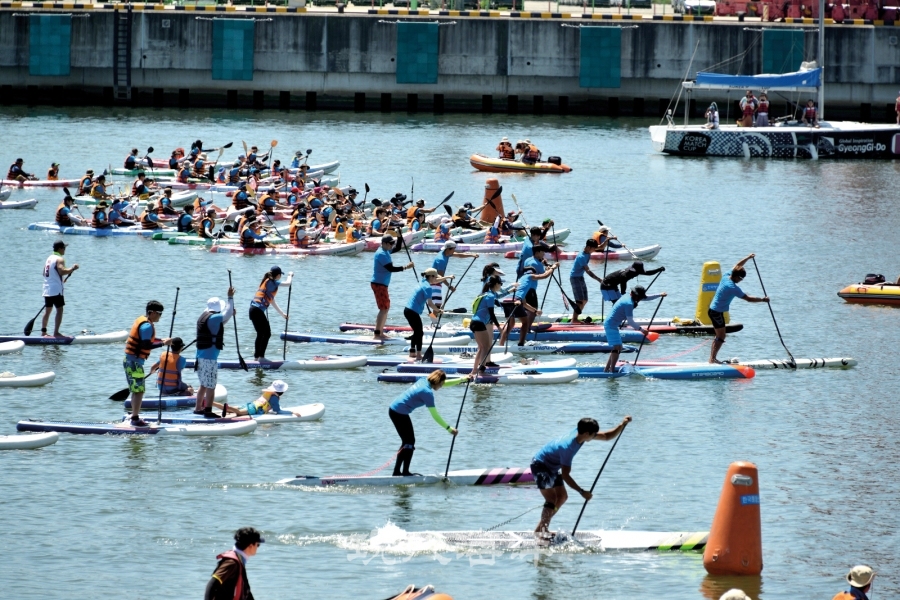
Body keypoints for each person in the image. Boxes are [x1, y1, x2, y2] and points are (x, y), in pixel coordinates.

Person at [531, 416, 631, 543]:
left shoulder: (582, 433)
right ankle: (541, 532)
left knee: (562, 497)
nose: (595, 436)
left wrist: (621, 425)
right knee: (551, 499)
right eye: (593, 434)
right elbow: (566, 476)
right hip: (540, 465)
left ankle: (540, 529)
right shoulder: (567, 447)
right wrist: (582, 492)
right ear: (586, 433)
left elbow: (606, 436)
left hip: (552, 466)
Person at [388, 370, 457, 476]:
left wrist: (463, 379)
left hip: (395, 409)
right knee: (409, 442)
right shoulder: (427, 393)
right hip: (398, 413)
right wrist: (449, 428)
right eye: (441, 384)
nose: (442, 386)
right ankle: (403, 472)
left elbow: (445, 383)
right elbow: (435, 415)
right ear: (438, 382)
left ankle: (398, 472)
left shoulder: (424, 380)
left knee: (408, 442)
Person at [708, 254, 769, 364]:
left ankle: (712, 359)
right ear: (736, 277)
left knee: (720, 336)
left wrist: (748, 257)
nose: (741, 280)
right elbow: (748, 299)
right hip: (716, 312)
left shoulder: (726, 276)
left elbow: (737, 265)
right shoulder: (732, 287)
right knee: (721, 336)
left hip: (715, 310)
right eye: (741, 278)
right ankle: (712, 359)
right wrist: (763, 300)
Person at [124, 300, 172, 426]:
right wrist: (162, 344)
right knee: (139, 390)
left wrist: (161, 339)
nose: (160, 316)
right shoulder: (147, 326)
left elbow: (146, 339)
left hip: (130, 360)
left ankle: (134, 416)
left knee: (137, 390)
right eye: (160, 313)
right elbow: (145, 344)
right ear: (154, 313)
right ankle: (135, 419)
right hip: (134, 362)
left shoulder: (144, 321)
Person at [501, 246, 560, 347]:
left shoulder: (522, 279)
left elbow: (523, 302)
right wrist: (553, 268)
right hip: (516, 301)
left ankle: (501, 344)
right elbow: (544, 276)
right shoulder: (530, 276)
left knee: (510, 324)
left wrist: (535, 311)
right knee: (525, 322)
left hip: (506, 300)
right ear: (532, 271)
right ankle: (521, 344)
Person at [603, 286, 666, 372]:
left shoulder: (628, 296)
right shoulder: (628, 303)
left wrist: (659, 295)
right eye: (639, 297)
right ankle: (611, 370)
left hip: (612, 324)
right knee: (618, 347)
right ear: (635, 295)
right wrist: (642, 330)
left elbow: (646, 298)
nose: (640, 299)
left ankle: (607, 369)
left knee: (617, 347)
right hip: (611, 325)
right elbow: (630, 322)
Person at [195, 291, 235, 416]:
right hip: (209, 358)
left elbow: (220, 324)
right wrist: (230, 297)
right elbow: (227, 313)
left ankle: (198, 409)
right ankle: (208, 410)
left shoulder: (204, 316)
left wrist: (230, 315)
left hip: (200, 357)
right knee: (211, 385)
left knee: (203, 385)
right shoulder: (215, 317)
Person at [469, 275, 513, 378]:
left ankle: (474, 370)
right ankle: (481, 370)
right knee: (486, 347)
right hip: (479, 323)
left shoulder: (486, 294)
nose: (501, 286)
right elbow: (492, 313)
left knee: (481, 348)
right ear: (496, 284)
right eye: (500, 284)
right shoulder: (490, 296)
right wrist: (499, 327)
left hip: (474, 322)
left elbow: (497, 302)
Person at [371, 234, 414, 341]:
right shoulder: (381, 254)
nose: (392, 245)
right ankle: (377, 334)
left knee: (386, 308)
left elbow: (398, 248)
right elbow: (391, 268)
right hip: (379, 284)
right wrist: (406, 267)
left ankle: (380, 332)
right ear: (384, 243)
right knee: (383, 309)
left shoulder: (385, 250)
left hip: (382, 284)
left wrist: (399, 237)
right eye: (390, 243)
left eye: (392, 243)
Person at [204, 527, 263, 600]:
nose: (258, 547)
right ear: (250, 546)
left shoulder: (239, 560)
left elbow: (246, 592)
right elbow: (212, 585)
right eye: (258, 544)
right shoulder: (232, 563)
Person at [249, 266, 293, 361]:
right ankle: (260, 357)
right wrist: (290, 275)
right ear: (278, 275)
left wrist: (282, 314)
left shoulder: (267, 282)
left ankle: (257, 358)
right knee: (267, 333)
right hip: (257, 311)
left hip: (252, 310)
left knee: (261, 334)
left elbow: (271, 301)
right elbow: (288, 284)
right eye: (280, 275)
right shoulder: (272, 282)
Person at [404, 268, 448, 361]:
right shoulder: (428, 287)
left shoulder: (423, 281)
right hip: (412, 311)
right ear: (431, 276)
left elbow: (435, 280)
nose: (436, 279)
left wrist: (448, 277)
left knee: (417, 332)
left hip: (407, 310)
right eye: (435, 277)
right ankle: (419, 355)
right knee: (420, 333)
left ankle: (412, 352)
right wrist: (438, 310)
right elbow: (430, 304)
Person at [41, 240, 78, 338]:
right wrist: (72, 268)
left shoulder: (49, 258)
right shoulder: (59, 259)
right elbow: (62, 271)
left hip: (46, 288)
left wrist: (56, 279)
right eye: (64, 248)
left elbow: (44, 273)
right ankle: (56, 333)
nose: (65, 250)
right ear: (60, 249)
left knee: (47, 310)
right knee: (59, 310)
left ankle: (44, 332)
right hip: (56, 290)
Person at [214, 380, 304, 418]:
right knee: (239, 413)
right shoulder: (274, 398)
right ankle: (227, 407)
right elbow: (278, 411)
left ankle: (210, 403)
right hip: (254, 409)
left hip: (252, 404)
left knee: (232, 409)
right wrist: (292, 412)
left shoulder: (269, 394)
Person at [430, 240, 477, 308]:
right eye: (454, 249)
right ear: (449, 249)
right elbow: (441, 277)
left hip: (436, 282)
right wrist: (449, 286)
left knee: (437, 306)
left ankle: (434, 317)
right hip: (434, 283)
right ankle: (433, 318)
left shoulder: (445, 253)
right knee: (437, 306)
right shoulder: (441, 260)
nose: (454, 251)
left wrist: (472, 255)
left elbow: (459, 255)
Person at [569, 239, 606, 323]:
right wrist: (599, 279)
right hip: (574, 278)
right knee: (579, 300)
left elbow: (600, 247)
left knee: (585, 300)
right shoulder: (581, 257)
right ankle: (574, 319)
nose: (594, 251)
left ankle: (576, 317)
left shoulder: (588, 252)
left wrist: (608, 240)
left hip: (580, 277)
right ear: (588, 247)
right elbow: (588, 271)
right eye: (593, 249)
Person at [600, 260, 666, 306]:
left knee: (619, 303)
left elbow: (648, 273)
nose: (639, 273)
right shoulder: (625, 275)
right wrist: (624, 295)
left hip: (614, 286)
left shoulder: (636, 270)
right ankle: (615, 319)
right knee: (616, 303)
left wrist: (658, 269)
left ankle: (619, 318)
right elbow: (623, 285)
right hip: (606, 285)